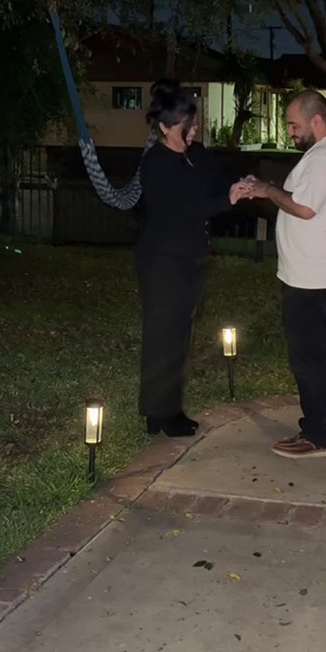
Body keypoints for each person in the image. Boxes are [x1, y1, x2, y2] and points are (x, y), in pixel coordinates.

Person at [243, 90, 326, 459]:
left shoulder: (323, 157)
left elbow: (305, 208)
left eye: (294, 125)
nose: (290, 132)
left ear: (316, 119)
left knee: (310, 358)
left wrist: (266, 190)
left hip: (311, 277)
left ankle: (317, 436)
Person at [137, 80, 248, 438]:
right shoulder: (155, 164)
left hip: (191, 258)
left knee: (180, 334)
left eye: (195, 121)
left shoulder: (197, 155)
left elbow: (217, 184)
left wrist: (239, 186)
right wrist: (225, 200)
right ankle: (162, 412)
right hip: (163, 261)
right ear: (164, 127)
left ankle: (163, 409)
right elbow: (180, 208)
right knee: (162, 334)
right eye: (187, 123)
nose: (195, 128)